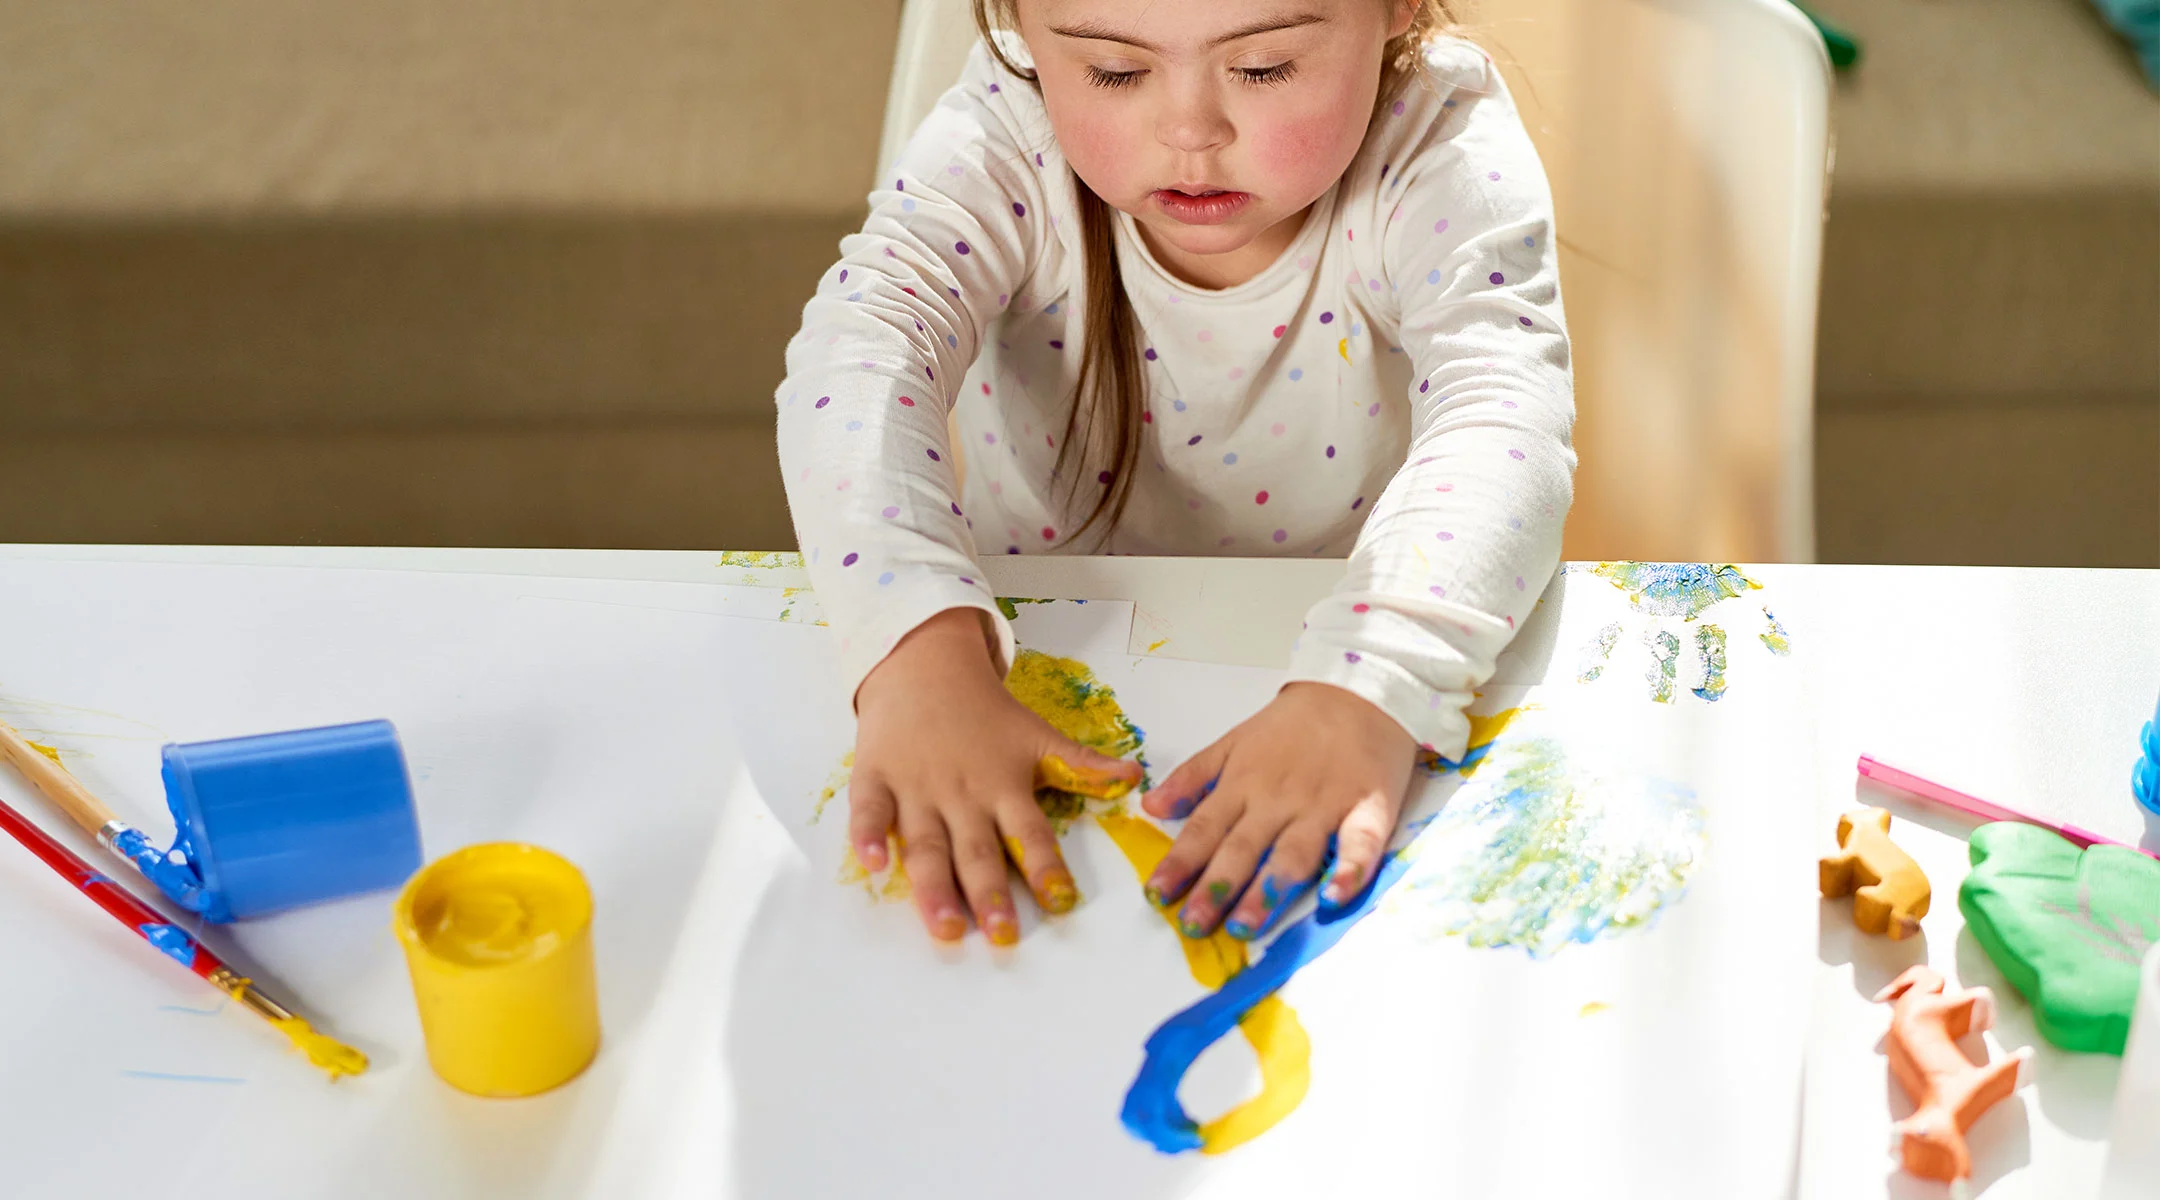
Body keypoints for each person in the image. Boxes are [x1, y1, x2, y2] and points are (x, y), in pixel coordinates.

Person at [775, 0, 1573, 948]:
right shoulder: (1007, 124)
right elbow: (861, 349)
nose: (1190, 133)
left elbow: (1503, 418)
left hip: (1323, 652)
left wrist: (1376, 681)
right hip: (1032, 652)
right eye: (1114, 71)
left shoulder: (1438, 144)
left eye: (1267, 67)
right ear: (1024, 29)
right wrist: (914, 643)